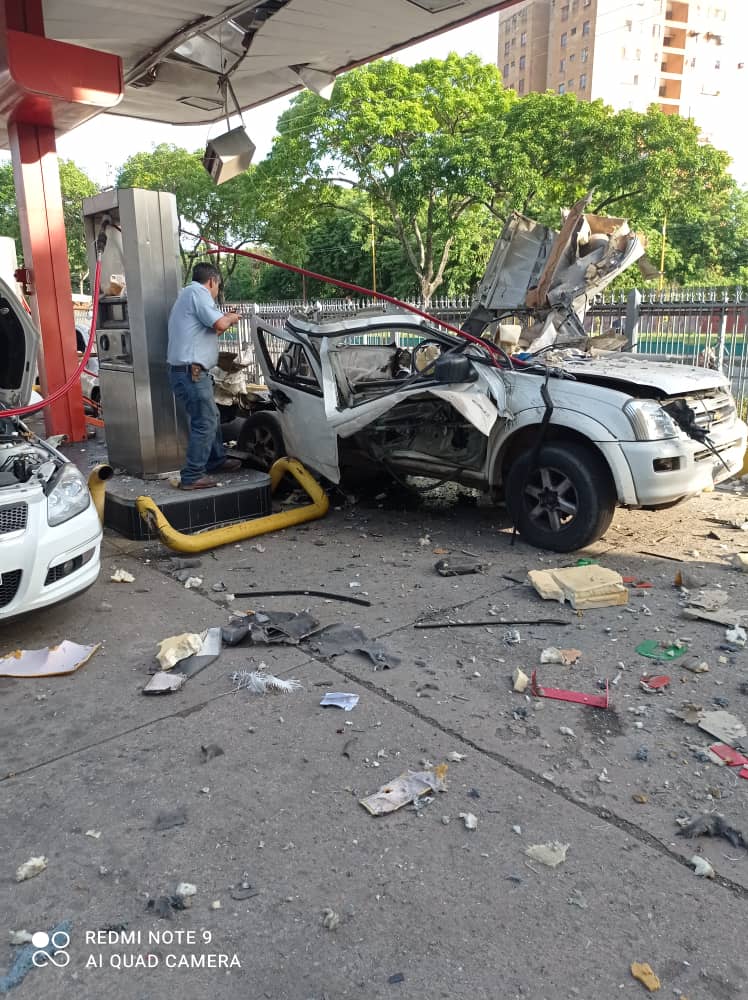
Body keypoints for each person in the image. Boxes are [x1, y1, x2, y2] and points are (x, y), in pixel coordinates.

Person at [167, 262, 243, 490]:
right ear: (212, 281)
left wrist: (225, 319)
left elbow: (212, 329)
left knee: (212, 416)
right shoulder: (198, 293)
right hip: (192, 373)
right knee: (205, 421)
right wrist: (230, 318)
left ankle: (215, 459)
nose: (217, 292)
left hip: (191, 372)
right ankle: (192, 475)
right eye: (217, 286)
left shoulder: (187, 295)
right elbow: (220, 323)